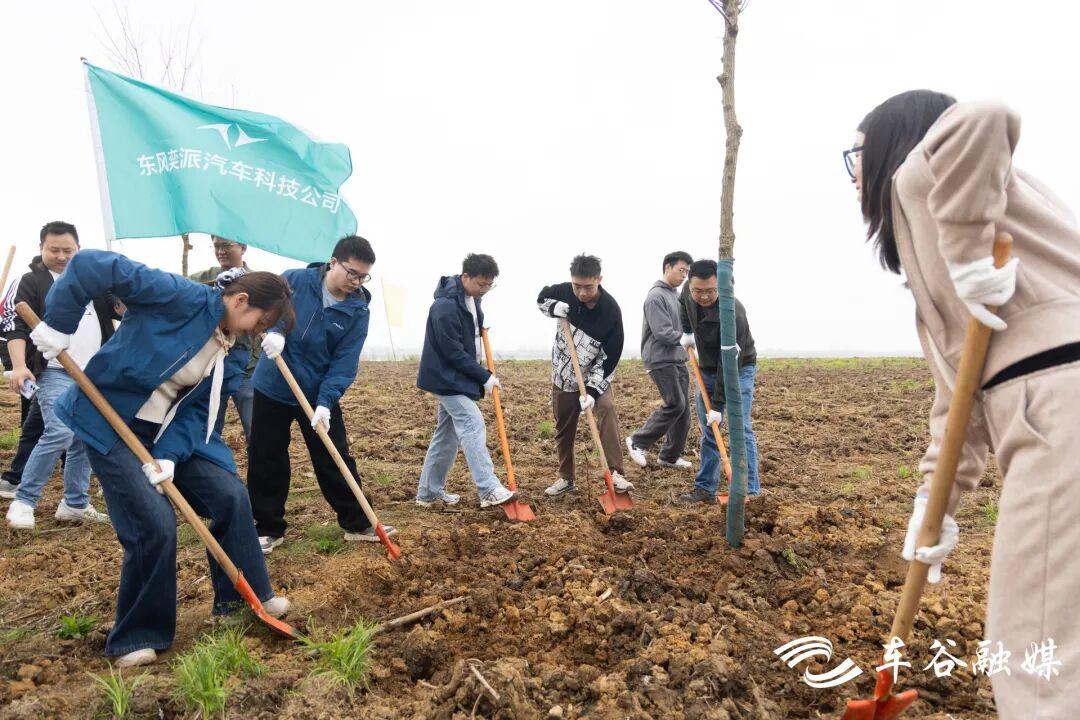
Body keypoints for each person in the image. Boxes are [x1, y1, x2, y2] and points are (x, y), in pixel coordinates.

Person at [852, 90, 1080, 717]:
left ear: (898, 143)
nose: (855, 175)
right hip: (1049, 395)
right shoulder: (964, 233)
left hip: (1060, 402)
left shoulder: (919, 175)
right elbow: (959, 404)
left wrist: (968, 252)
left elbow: (986, 116)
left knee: (1035, 647)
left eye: (857, 156)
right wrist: (934, 506)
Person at [28, 248, 293, 667]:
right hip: (112, 420)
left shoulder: (236, 349)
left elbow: (199, 413)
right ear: (241, 301)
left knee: (229, 496)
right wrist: (59, 325)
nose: (258, 333)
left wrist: (168, 456)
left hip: (169, 434)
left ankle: (241, 602)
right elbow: (93, 265)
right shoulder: (180, 297)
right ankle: (137, 634)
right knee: (154, 522)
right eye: (260, 323)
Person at [247, 235, 394, 554]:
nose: (357, 282)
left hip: (316, 392)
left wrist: (326, 402)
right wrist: (275, 332)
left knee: (334, 455)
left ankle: (358, 522)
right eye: (352, 273)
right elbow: (269, 311)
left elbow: (344, 362)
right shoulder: (294, 280)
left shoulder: (357, 310)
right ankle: (268, 527)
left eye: (363, 276)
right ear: (333, 262)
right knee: (266, 456)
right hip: (273, 385)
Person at [5, 222, 116, 529]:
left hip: (93, 373)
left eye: (69, 250)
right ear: (41, 248)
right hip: (54, 370)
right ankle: (24, 501)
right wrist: (19, 365)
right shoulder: (33, 281)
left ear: (79, 250)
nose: (62, 256)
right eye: (54, 250)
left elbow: (118, 310)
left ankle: (75, 504)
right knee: (60, 430)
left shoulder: (92, 282)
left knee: (85, 436)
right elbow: (17, 327)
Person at [415, 253, 517, 509]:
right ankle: (488, 488)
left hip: (456, 377)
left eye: (489, 285)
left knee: (446, 436)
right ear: (465, 277)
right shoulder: (444, 307)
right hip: (444, 377)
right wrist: (484, 376)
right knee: (472, 423)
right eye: (481, 284)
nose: (484, 289)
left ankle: (428, 493)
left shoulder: (471, 299)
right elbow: (452, 352)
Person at [536, 254, 632, 496]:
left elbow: (609, 358)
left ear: (599, 279)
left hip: (596, 376)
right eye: (576, 286)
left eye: (588, 287)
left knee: (607, 409)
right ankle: (566, 478)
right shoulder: (563, 292)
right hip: (563, 375)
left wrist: (591, 391)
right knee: (564, 426)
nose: (581, 292)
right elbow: (541, 298)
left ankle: (615, 473)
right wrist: (553, 308)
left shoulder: (610, 311)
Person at [677, 259, 759, 503]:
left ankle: (749, 490)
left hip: (737, 368)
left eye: (710, 291)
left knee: (740, 428)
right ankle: (705, 489)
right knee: (709, 430)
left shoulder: (733, 313)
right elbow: (683, 304)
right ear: (690, 285)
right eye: (698, 291)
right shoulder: (687, 291)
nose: (703, 296)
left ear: (721, 287)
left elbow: (729, 365)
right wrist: (687, 331)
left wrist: (717, 404)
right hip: (707, 367)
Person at [626, 251, 694, 469]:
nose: (684, 276)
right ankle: (637, 441)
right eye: (681, 270)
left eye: (687, 272)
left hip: (677, 358)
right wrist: (684, 339)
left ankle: (669, 457)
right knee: (675, 404)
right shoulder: (656, 297)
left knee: (683, 412)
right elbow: (662, 332)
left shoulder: (676, 296)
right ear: (667, 267)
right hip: (660, 359)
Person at [188, 236, 258, 441]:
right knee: (208, 429)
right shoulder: (202, 279)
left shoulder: (257, 281)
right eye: (217, 246)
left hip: (248, 367)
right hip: (211, 365)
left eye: (226, 246)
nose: (220, 251)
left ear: (243, 247)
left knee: (256, 429)